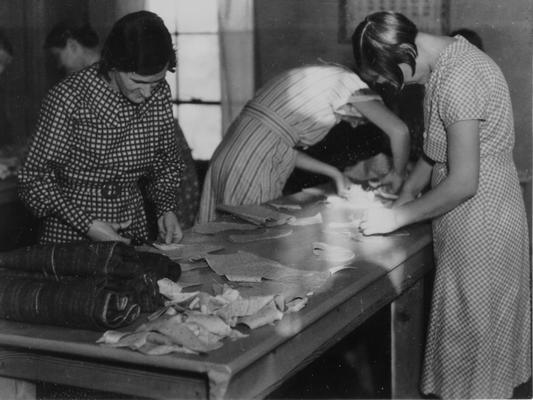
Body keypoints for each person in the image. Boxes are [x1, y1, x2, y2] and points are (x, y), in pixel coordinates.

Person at [352, 11, 530, 399]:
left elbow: (464, 182)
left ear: (402, 55)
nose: (390, 88)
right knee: (466, 336)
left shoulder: (461, 78)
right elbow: (435, 157)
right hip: (468, 217)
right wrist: (401, 199)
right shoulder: (445, 62)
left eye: (386, 78)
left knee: (476, 342)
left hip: (482, 216)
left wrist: (396, 217)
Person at [19, 11, 185, 245]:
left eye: (156, 82)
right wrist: (86, 224)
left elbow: (165, 161)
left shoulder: (158, 94)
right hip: (70, 237)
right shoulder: (68, 98)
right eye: (137, 82)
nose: (147, 93)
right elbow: (33, 179)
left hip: (133, 230)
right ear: (114, 65)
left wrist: (166, 209)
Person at [198, 63, 410, 222]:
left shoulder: (324, 79)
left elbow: (285, 150)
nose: (355, 126)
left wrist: (334, 174)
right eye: (363, 119)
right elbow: (399, 131)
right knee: (252, 245)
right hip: (250, 165)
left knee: (221, 238)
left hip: (230, 157)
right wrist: (398, 175)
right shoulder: (348, 84)